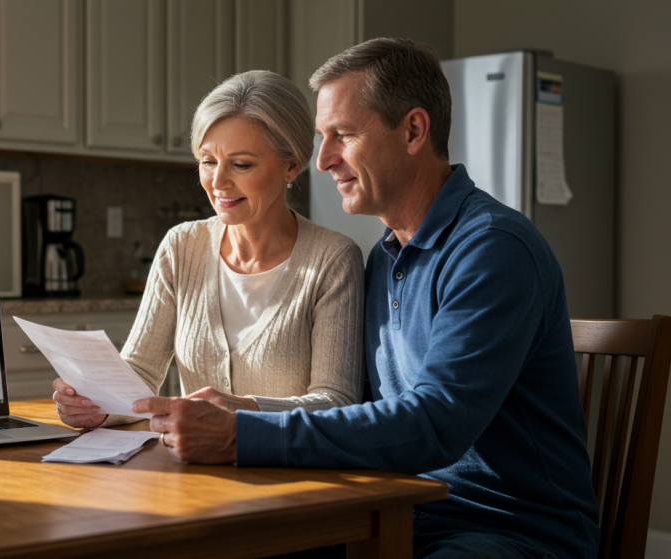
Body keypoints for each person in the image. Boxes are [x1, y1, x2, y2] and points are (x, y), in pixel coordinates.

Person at [133, 39, 600, 559]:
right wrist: (241, 413)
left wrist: (242, 434)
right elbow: (358, 407)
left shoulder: (492, 249)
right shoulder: (387, 257)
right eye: (321, 138)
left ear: (414, 131)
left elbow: (433, 423)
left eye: (344, 135)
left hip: (504, 528)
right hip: (391, 507)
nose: (324, 160)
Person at [53, 70, 365, 429]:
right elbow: (139, 372)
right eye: (208, 161)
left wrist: (240, 408)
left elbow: (336, 402)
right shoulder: (181, 246)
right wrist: (97, 405)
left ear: (291, 166)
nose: (217, 182)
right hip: (197, 475)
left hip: (289, 475)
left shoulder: (334, 259)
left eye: (241, 164)